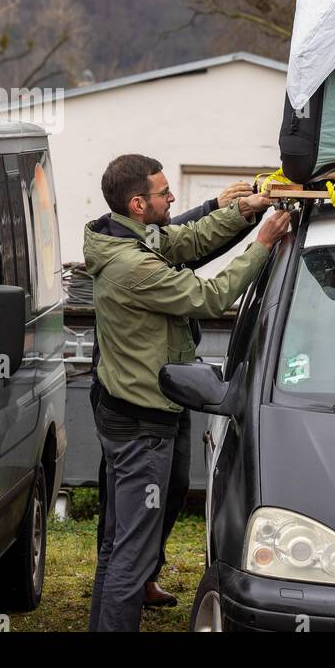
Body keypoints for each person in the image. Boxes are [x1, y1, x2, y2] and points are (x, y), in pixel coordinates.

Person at [84, 154, 290, 631]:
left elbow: (187, 238)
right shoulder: (132, 266)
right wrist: (261, 243)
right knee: (132, 557)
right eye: (163, 193)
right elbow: (211, 296)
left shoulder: (128, 235)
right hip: (141, 425)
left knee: (118, 545)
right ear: (138, 203)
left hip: (129, 413)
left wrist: (242, 211)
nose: (172, 199)